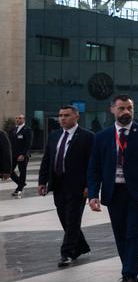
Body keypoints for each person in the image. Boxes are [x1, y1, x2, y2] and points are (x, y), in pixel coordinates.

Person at [87, 95, 138, 282]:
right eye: (121, 108)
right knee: (120, 234)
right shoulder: (102, 137)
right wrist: (93, 194)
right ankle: (128, 271)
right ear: (112, 110)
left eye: (129, 108)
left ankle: (129, 275)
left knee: (133, 233)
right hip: (114, 192)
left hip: (137, 194)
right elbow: (94, 168)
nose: (126, 112)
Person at [38, 105, 95, 267]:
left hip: (78, 186)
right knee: (64, 217)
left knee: (72, 219)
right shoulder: (54, 135)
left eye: (66, 115)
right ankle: (81, 246)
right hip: (58, 183)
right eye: (60, 115)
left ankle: (67, 252)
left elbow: (93, 164)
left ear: (76, 117)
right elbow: (47, 159)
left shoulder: (87, 137)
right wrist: (43, 182)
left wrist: (90, 186)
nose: (62, 118)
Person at [10, 114, 32, 197]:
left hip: (23, 155)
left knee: (22, 171)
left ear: (24, 120)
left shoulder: (27, 130)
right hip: (13, 154)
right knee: (9, 170)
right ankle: (21, 183)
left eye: (20, 118)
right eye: (16, 118)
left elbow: (28, 143)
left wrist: (23, 154)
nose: (18, 119)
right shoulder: (12, 130)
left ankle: (19, 189)